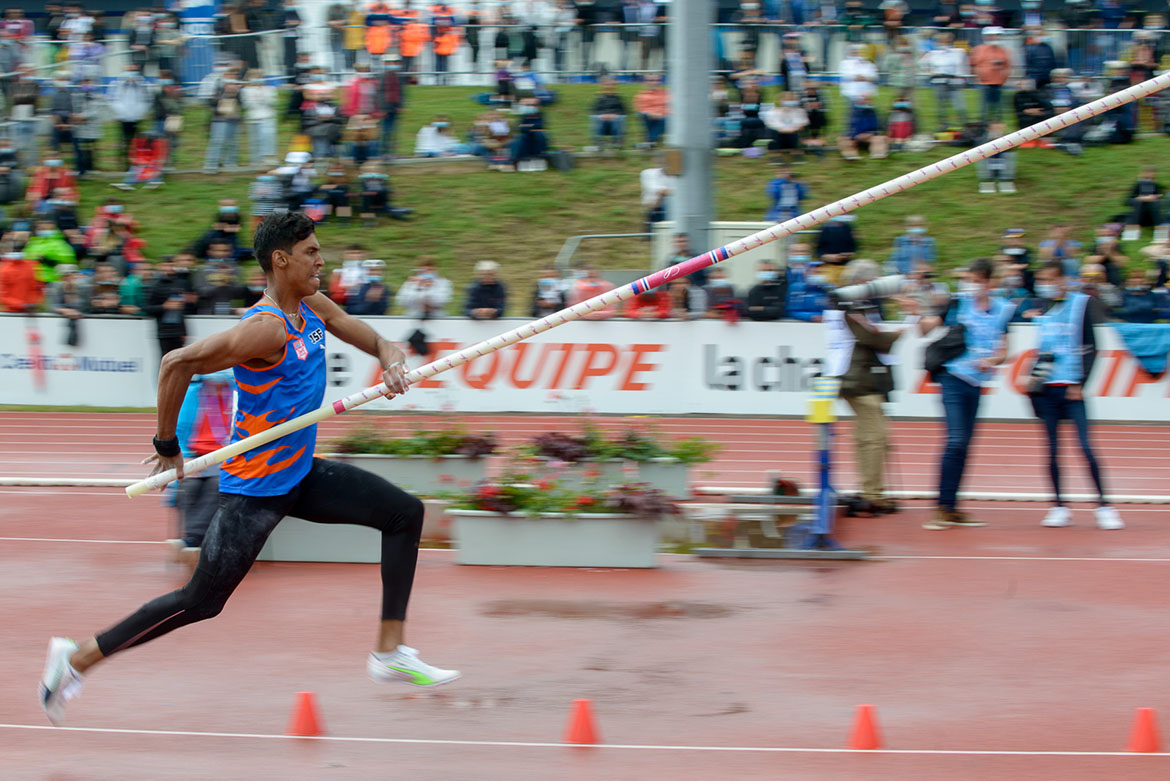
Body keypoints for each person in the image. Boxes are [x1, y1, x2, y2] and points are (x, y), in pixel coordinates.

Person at [39, 212, 459, 727]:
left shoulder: (311, 305)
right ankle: (75, 658)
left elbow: (365, 335)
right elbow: (176, 364)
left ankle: (389, 653)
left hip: (299, 470)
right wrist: (167, 443)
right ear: (281, 260)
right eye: (311, 253)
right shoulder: (264, 330)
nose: (321, 261)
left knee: (403, 514)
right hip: (256, 486)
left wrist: (392, 357)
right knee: (199, 602)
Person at [915, 257, 1013, 530]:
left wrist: (992, 362)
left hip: (978, 382)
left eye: (977, 281)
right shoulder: (958, 303)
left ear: (989, 283)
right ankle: (940, 508)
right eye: (968, 280)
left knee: (965, 445)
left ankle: (952, 508)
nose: (971, 285)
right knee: (956, 440)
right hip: (952, 377)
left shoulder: (1003, 309)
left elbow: (1005, 350)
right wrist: (919, 310)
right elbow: (925, 328)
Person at [1025, 261, 1123, 530]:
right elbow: (1044, 351)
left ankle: (1104, 506)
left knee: (1085, 447)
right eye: (1042, 279)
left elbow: (1092, 347)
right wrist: (1034, 377)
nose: (1044, 284)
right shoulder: (1042, 307)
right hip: (1047, 389)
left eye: (1049, 279)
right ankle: (1058, 506)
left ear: (1062, 279)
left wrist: (1081, 382)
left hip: (1073, 388)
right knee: (1052, 450)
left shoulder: (1083, 304)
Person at [826, 259, 902, 513]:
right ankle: (872, 494)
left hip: (859, 378)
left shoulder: (852, 303)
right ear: (862, 282)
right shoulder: (848, 304)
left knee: (871, 437)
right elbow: (870, 337)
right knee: (874, 438)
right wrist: (897, 334)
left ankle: (873, 491)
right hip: (858, 379)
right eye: (873, 281)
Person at [168, 369, 237, 569]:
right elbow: (180, 430)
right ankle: (194, 542)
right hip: (197, 457)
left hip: (229, 458)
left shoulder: (237, 394)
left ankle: (192, 541)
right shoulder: (194, 394)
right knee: (188, 484)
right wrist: (186, 458)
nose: (215, 384)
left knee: (216, 483)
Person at [919, 32, 969, 130]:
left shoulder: (958, 52)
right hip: (939, 81)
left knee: (959, 104)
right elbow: (921, 63)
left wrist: (962, 79)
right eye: (942, 42)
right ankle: (943, 125)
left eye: (947, 41)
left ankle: (964, 125)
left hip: (954, 81)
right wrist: (930, 72)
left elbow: (962, 66)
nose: (945, 44)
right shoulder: (933, 54)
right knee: (941, 106)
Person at [968, 26, 1012, 123]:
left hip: (999, 83)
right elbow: (972, 65)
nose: (995, 38)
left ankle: (998, 129)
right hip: (984, 84)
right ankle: (983, 129)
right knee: (984, 109)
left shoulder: (1003, 50)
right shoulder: (978, 50)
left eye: (997, 36)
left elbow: (1007, 65)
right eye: (992, 36)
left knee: (999, 110)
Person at [1123, 166, 1164, 243]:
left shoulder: (1156, 185)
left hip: (1152, 215)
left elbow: (1162, 198)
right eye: (1147, 172)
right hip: (1139, 215)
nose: (1149, 175)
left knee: (1154, 202)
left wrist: (1154, 198)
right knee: (1139, 202)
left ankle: (1161, 234)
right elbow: (1127, 200)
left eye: (1151, 173)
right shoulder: (1138, 185)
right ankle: (1132, 232)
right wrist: (1140, 198)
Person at [639, 155, 674, 234]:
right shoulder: (648, 173)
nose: (663, 163)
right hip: (654, 208)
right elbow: (657, 190)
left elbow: (664, 191)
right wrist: (669, 192)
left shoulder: (672, 175)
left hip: (667, 208)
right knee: (653, 234)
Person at [589, 79, 627, 150]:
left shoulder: (618, 99)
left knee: (619, 119)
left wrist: (614, 115)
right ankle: (598, 143)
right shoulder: (599, 99)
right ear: (602, 86)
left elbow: (623, 112)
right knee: (594, 118)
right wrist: (602, 116)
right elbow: (594, 111)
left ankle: (617, 143)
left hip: (615, 121)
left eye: (611, 85)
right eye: (607, 84)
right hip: (602, 121)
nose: (609, 87)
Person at [633, 73, 668, 148]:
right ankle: (651, 141)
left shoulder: (665, 93)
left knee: (666, 119)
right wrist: (651, 114)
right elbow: (639, 110)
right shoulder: (641, 96)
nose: (655, 82)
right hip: (649, 117)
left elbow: (671, 108)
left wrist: (661, 114)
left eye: (657, 80)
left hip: (663, 117)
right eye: (651, 80)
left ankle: (650, 142)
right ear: (645, 82)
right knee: (644, 115)